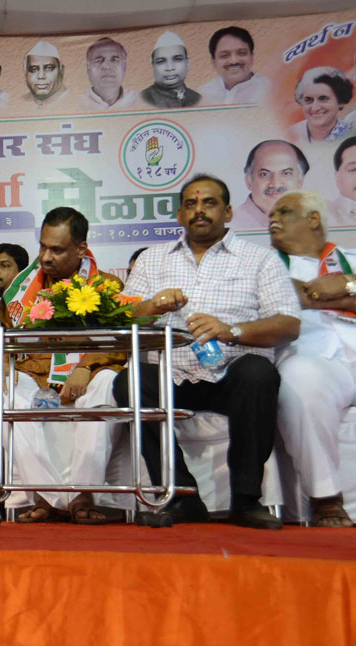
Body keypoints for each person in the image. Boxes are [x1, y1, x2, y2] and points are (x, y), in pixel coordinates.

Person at [112, 174, 301, 530]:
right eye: (190, 204)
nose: (199, 211)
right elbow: (121, 315)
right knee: (129, 382)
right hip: (172, 376)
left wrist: (232, 331)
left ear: (228, 212)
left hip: (232, 376)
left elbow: (288, 324)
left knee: (258, 373)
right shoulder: (152, 260)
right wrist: (152, 305)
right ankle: (182, 498)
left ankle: (246, 501)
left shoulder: (259, 260)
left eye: (209, 203)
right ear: (180, 216)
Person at [267, 190, 356, 529]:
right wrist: (328, 295)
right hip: (312, 357)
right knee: (301, 385)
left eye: (284, 212)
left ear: (313, 219)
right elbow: (285, 289)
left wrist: (348, 283)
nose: (273, 219)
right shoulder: (264, 264)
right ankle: (326, 500)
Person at [0, 208, 127, 524]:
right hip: (35, 372)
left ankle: (83, 494)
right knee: (5, 395)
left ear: (81, 248)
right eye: (43, 247)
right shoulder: (22, 289)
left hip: (91, 372)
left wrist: (84, 367)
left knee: (107, 383)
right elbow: (5, 337)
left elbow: (121, 343)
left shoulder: (107, 286)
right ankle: (44, 493)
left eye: (56, 249)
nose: (45, 257)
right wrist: (0, 365)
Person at [230, 140, 310, 232]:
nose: (275, 184)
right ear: (249, 181)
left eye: (286, 173)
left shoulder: (316, 221)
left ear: (301, 180)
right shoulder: (229, 226)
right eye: (264, 174)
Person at [199, 27, 270, 105]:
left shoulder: (271, 91)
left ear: (252, 57)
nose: (234, 61)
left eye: (241, 53)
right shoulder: (203, 95)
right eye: (224, 55)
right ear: (213, 62)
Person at [288, 67, 355, 144]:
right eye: (308, 100)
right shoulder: (292, 134)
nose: (315, 108)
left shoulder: (352, 133)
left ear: (340, 102)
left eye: (323, 99)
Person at [141, 31, 201, 108]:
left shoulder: (197, 98)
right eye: (161, 61)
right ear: (153, 67)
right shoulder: (144, 99)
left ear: (187, 64)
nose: (170, 68)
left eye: (177, 59)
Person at [81, 38, 137, 110]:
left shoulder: (139, 99)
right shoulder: (76, 103)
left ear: (124, 66)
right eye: (98, 60)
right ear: (88, 67)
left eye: (115, 60)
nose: (107, 66)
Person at [22, 40, 69, 108]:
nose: (41, 76)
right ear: (25, 73)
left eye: (49, 68)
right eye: (34, 69)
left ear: (62, 71)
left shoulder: (72, 99)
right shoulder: (22, 102)